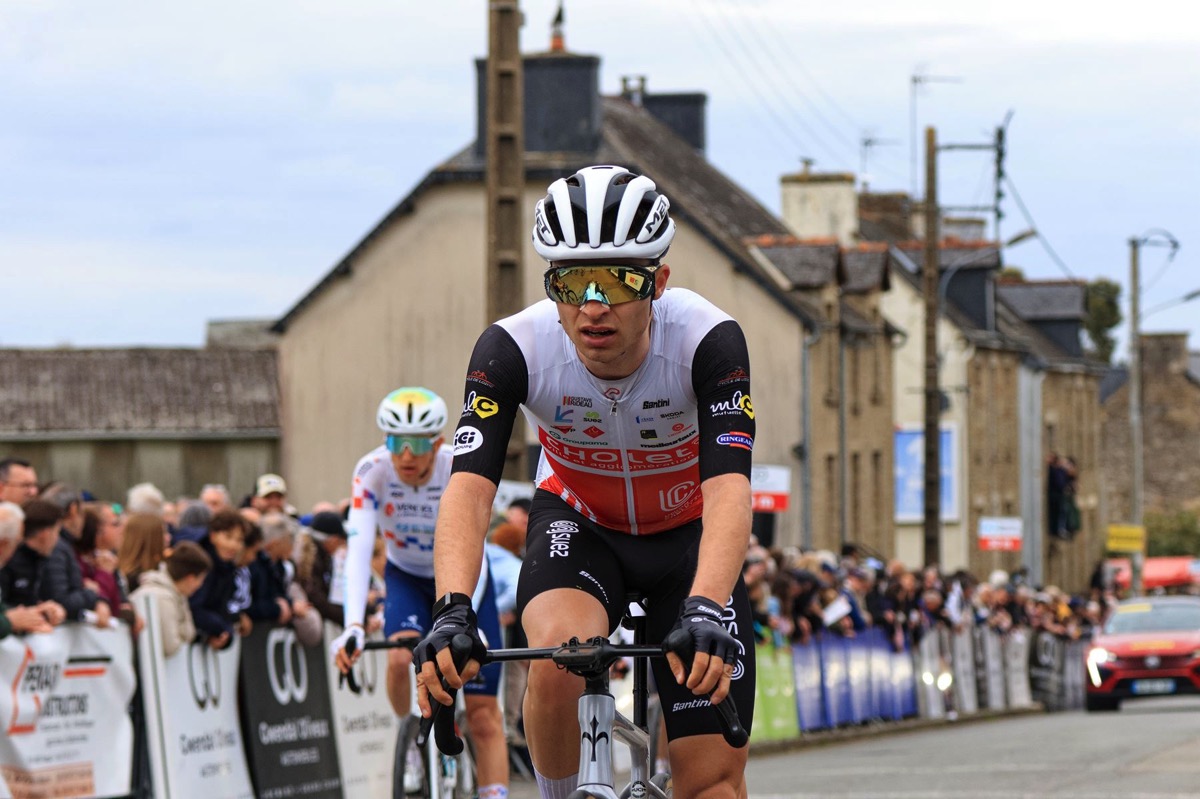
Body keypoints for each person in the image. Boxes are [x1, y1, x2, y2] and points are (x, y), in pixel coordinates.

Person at [414, 165, 757, 799]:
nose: (593, 306)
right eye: (572, 282)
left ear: (658, 282)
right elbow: (469, 488)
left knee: (711, 784)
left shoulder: (706, 341)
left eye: (619, 281)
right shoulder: (512, 349)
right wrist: (452, 608)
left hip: (688, 538)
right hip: (581, 524)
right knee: (558, 658)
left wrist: (707, 605)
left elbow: (731, 488)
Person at [331, 387, 509, 799]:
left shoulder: (457, 465)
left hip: (463, 578)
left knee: (483, 715)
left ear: (438, 442)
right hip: (408, 576)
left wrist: (467, 615)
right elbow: (359, 550)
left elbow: (476, 543)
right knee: (398, 658)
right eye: (396, 443)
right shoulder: (371, 470)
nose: (406, 455)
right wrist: (353, 624)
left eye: (417, 444)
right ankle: (410, 734)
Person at [131, 541, 212, 657]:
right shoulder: (163, 598)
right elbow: (170, 646)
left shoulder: (178, 594)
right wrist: (181, 633)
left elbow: (190, 633)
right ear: (190, 578)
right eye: (200, 579)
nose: (200, 585)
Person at [0, 501, 65, 636]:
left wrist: (37, 613)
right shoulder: (11, 563)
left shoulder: (39, 560)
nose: (15, 550)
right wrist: (9, 621)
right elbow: (8, 614)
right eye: (16, 543)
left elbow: (4, 608)